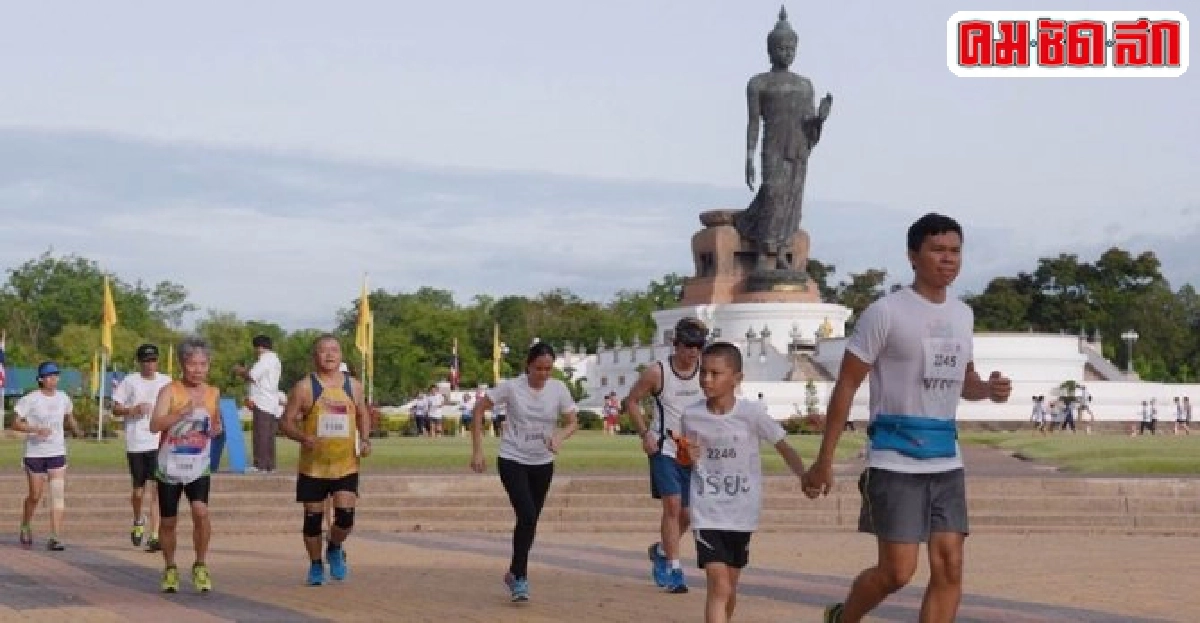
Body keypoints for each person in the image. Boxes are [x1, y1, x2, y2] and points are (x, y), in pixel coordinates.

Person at [801, 214, 1012, 623]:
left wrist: (988, 389)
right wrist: (825, 459)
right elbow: (847, 384)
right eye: (937, 250)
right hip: (894, 459)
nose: (948, 259)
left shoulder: (963, 315)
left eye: (955, 251)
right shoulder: (885, 313)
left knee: (950, 565)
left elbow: (964, 380)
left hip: (946, 459)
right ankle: (842, 617)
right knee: (897, 572)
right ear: (913, 256)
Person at [682, 342, 806, 623]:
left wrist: (804, 476)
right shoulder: (692, 416)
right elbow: (685, 457)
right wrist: (687, 456)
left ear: (736, 378)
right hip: (707, 511)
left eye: (715, 373)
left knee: (730, 585)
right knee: (718, 584)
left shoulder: (752, 414)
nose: (706, 379)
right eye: (703, 372)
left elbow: (783, 446)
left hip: (741, 513)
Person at [470, 341, 579, 603]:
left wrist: (559, 436)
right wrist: (477, 451)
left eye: (548, 369)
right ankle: (520, 577)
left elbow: (573, 422)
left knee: (529, 521)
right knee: (527, 515)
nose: (543, 374)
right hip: (512, 459)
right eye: (538, 368)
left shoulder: (558, 389)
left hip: (543, 462)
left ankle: (513, 572)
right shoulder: (511, 387)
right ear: (528, 366)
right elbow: (479, 410)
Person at [279, 334, 372, 587]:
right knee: (312, 519)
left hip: (345, 464)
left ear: (341, 355)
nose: (330, 355)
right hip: (314, 467)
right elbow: (285, 422)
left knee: (345, 518)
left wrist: (365, 439)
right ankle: (316, 564)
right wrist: (302, 437)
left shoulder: (353, 386)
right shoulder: (304, 387)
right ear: (315, 356)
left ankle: (334, 546)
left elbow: (363, 413)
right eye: (324, 350)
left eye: (334, 350)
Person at [625, 317, 708, 593]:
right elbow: (632, 401)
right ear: (676, 344)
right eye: (688, 346)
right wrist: (644, 434)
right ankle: (673, 569)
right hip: (665, 449)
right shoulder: (658, 372)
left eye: (698, 346)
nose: (693, 352)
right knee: (672, 506)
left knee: (688, 514)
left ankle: (661, 550)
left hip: (693, 452)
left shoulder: (706, 372)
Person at [149, 337, 223, 593]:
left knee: (201, 511)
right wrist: (179, 414)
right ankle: (170, 567)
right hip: (170, 466)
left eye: (203, 364)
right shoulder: (170, 391)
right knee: (168, 522)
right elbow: (154, 425)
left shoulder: (213, 393)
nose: (198, 370)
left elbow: (215, 424)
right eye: (193, 364)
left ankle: (200, 564)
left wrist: (215, 429)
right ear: (183, 364)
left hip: (198, 465)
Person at [11, 361, 82, 551]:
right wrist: (35, 429)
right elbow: (15, 423)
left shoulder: (63, 398)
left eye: (56, 375)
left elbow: (69, 416)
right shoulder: (30, 399)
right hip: (35, 454)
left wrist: (76, 429)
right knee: (35, 495)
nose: (53, 379)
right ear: (41, 379)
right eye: (49, 376)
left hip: (57, 452)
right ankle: (25, 524)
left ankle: (55, 537)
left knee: (57, 494)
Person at [112, 344, 172, 552]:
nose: (150, 364)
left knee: (157, 489)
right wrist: (132, 410)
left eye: (153, 360)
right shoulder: (130, 382)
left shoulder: (166, 381)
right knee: (138, 491)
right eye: (146, 361)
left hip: (158, 441)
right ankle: (138, 519)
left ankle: (154, 535)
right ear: (139, 362)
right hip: (136, 442)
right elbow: (115, 408)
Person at [233, 335, 282, 473]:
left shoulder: (265, 359)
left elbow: (252, 375)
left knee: (260, 434)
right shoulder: (275, 359)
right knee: (269, 435)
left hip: (263, 401)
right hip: (271, 401)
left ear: (259, 347)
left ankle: (259, 465)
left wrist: (240, 371)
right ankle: (269, 465)